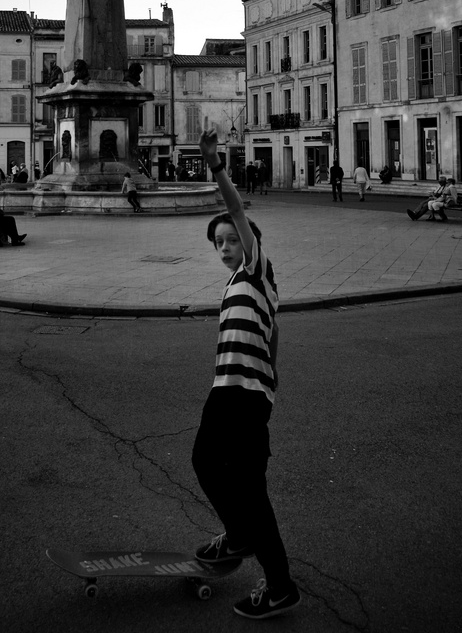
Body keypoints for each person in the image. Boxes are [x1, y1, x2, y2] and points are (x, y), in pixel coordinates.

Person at [192, 129, 300, 620]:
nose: (225, 246)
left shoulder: (257, 270)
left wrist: (216, 165)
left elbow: (236, 210)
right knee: (206, 462)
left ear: (250, 243)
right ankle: (238, 536)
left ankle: (279, 586)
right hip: (230, 390)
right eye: (219, 242)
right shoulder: (239, 285)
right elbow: (273, 331)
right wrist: (274, 371)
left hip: (245, 395)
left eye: (232, 240)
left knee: (249, 488)